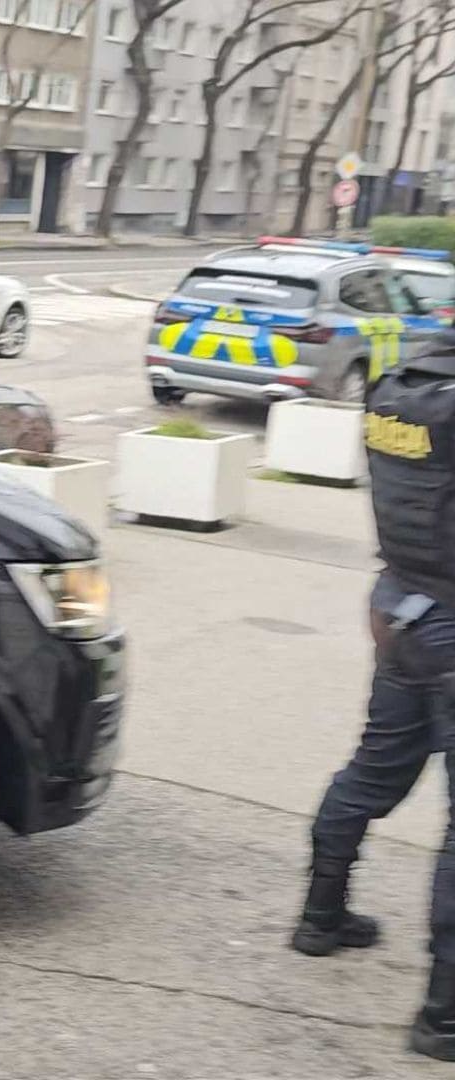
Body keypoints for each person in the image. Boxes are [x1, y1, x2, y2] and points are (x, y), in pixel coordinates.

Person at [304, 336, 455, 1061]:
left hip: (399, 607)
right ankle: (444, 1018)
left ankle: (321, 919)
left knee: (372, 770)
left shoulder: (402, 381)